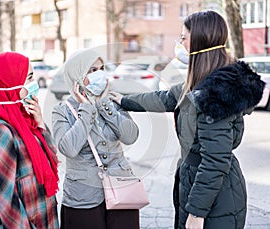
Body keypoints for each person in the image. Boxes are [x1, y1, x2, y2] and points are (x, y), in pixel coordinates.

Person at [110, 10, 265, 229]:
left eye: (183, 37)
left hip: (216, 201)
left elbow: (215, 161)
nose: (179, 42)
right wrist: (124, 101)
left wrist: (196, 213)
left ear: (200, 42)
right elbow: (165, 98)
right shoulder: (200, 83)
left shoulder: (216, 94)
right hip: (200, 186)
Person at [51, 49, 140, 229]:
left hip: (121, 189)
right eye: (92, 70)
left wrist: (103, 103)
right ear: (77, 76)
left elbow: (131, 136)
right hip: (83, 197)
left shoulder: (113, 101)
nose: (99, 74)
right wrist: (87, 110)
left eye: (101, 69)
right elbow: (68, 148)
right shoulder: (62, 110)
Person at [0, 52, 59, 228]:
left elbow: (52, 159)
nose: (33, 84)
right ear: (9, 83)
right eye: (28, 78)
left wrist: (40, 123)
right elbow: (8, 207)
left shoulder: (24, 118)